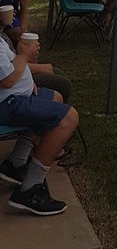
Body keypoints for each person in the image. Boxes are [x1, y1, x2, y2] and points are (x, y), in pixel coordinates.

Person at [0, 31, 79, 215]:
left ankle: (15, 164)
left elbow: (8, 71)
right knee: (69, 117)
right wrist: (24, 56)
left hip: (12, 97)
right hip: (6, 104)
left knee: (56, 98)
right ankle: (30, 190)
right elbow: (7, 79)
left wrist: (25, 79)